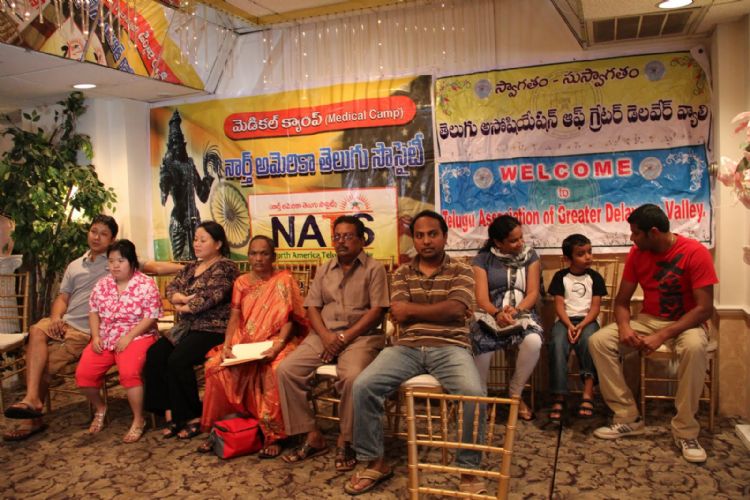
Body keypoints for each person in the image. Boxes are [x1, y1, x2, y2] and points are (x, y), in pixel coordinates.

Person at [346, 210, 486, 496]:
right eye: (419, 235)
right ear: (414, 239)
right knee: (363, 385)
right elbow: (399, 312)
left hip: (450, 346)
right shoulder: (402, 273)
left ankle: (469, 469)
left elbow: (456, 309)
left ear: (444, 236)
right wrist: (434, 311)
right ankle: (374, 461)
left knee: (473, 393)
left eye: (432, 234)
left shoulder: (461, 270)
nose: (426, 241)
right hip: (406, 347)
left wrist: (413, 310)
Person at [589, 204, 717, 464]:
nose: (632, 238)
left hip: (688, 323)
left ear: (654, 232)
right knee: (599, 341)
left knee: (694, 348)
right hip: (649, 319)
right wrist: (624, 327)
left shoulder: (695, 252)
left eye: (636, 233)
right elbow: (622, 302)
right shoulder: (637, 254)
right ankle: (628, 417)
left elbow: (704, 309)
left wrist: (662, 335)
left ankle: (686, 431)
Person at [277, 215, 389, 472]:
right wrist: (327, 337)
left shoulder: (375, 269)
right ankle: (311, 434)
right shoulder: (324, 268)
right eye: (337, 236)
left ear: (362, 240)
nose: (341, 241)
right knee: (287, 370)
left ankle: (346, 439)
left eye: (348, 236)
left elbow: (377, 311)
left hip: (360, 337)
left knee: (352, 377)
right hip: (324, 335)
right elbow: (312, 308)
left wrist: (343, 338)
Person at [2, 215, 118, 441]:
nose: (96, 237)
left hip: (85, 329)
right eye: (94, 231)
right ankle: (32, 400)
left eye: (104, 234)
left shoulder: (116, 262)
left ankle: (32, 417)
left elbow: (150, 265)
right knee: (36, 329)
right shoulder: (75, 265)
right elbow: (63, 298)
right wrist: (56, 318)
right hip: (64, 322)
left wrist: (189, 265)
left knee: (43, 361)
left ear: (112, 239)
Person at [196, 236, 308, 457]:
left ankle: (274, 435)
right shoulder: (241, 282)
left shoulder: (284, 280)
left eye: (264, 253)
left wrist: (277, 346)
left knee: (274, 370)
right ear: (248, 256)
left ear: (273, 257)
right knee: (215, 367)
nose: (258, 258)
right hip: (246, 340)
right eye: (253, 253)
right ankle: (222, 430)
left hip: (279, 340)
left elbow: (290, 320)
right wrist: (228, 345)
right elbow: (235, 316)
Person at [143, 221, 239, 440]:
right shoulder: (190, 267)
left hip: (213, 328)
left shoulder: (226, 267)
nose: (197, 244)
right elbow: (171, 288)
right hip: (185, 327)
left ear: (218, 244)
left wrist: (186, 306)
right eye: (195, 239)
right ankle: (169, 411)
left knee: (178, 360)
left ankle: (193, 416)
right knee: (155, 354)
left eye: (203, 240)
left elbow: (212, 296)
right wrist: (180, 298)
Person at [75, 240, 162, 443]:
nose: (115, 265)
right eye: (111, 261)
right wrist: (96, 336)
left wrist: (129, 336)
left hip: (138, 335)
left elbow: (151, 317)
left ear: (132, 262)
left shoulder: (146, 284)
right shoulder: (102, 284)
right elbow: (93, 312)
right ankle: (100, 408)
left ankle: (138, 420)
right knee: (83, 375)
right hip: (106, 336)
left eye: (120, 261)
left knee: (129, 373)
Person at [469, 214, 543, 421]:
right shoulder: (482, 260)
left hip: (522, 311)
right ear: (498, 242)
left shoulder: (531, 256)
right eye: (513, 240)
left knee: (533, 341)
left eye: (521, 238)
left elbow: (533, 293)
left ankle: (515, 393)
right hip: (491, 313)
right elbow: (481, 298)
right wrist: (497, 313)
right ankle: (481, 398)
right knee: (481, 345)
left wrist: (516, 311)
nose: (520, 243)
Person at [547, 234, 606, 421]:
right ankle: (559, 395)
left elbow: (595, 308)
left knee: (590, 342)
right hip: (565, 320)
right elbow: (558, 306)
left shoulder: (595, 277)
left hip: (588, 321)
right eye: (581, 254)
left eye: (589, 251)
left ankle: (588, 393)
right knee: (556, 343)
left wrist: (581, 325)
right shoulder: (560, 277)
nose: (588, 257)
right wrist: (569, 325)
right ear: (568, 258)